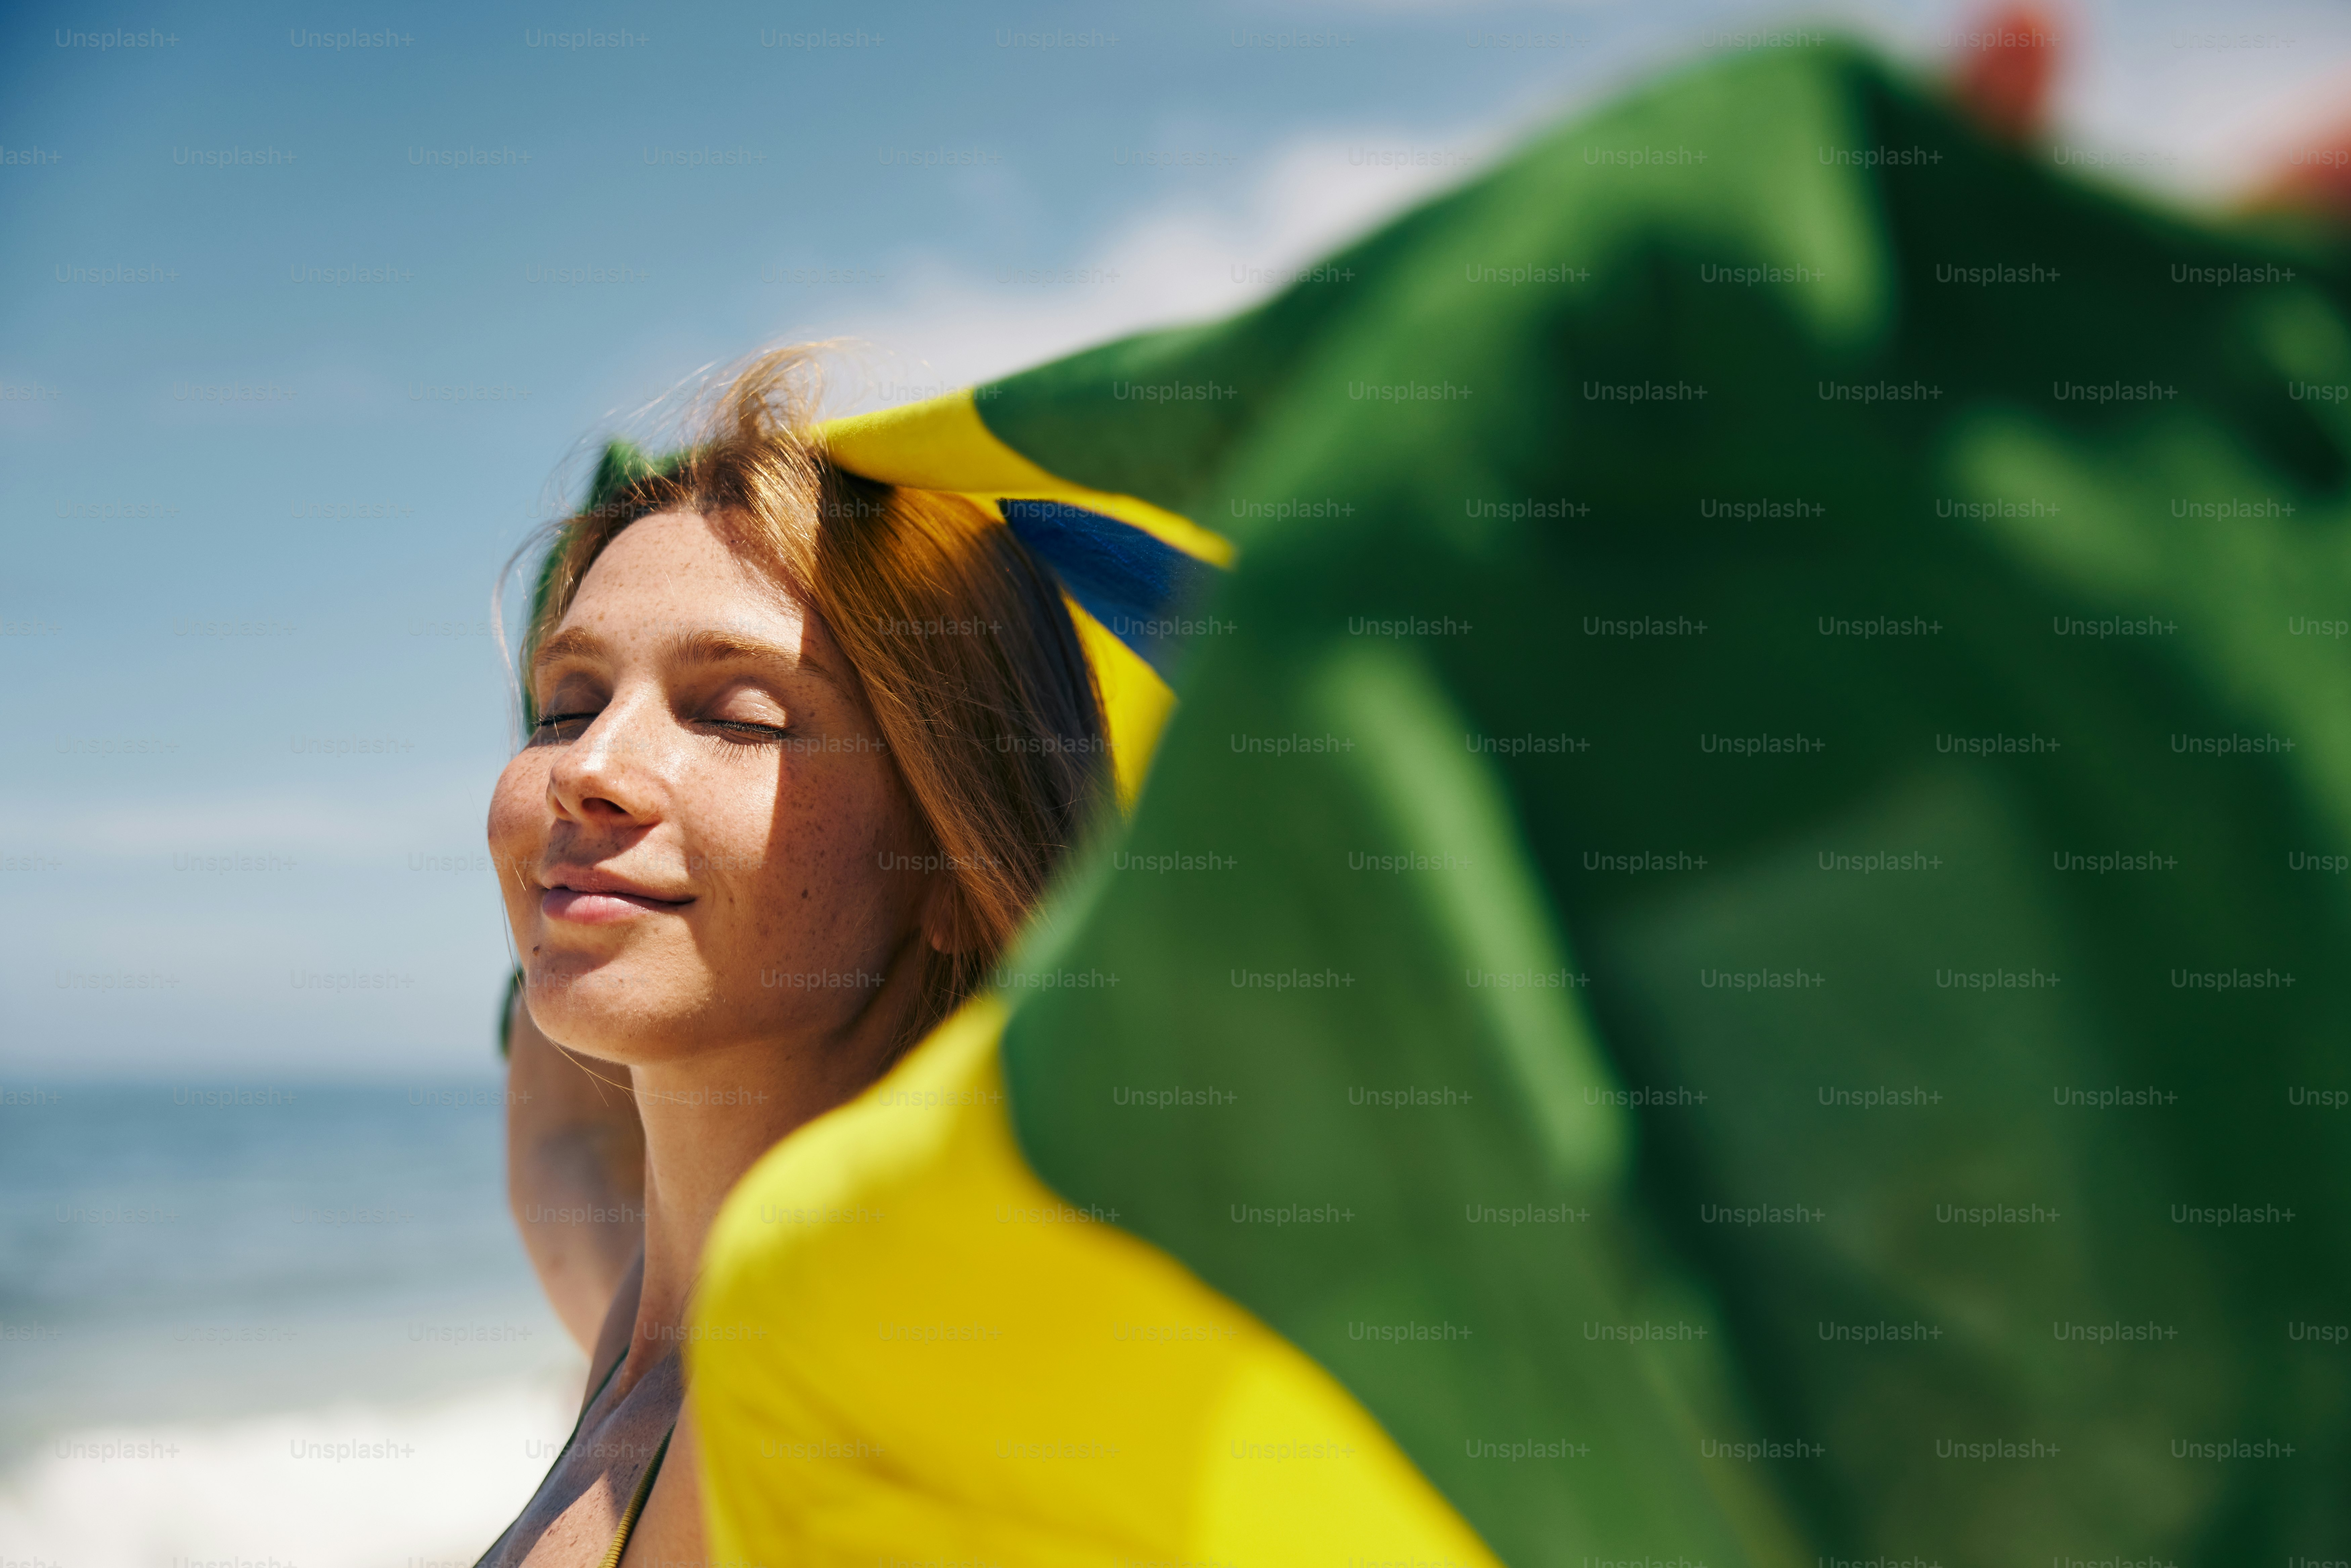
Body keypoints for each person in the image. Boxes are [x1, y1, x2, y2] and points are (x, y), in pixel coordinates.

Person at [478, 348, 1111, 1566]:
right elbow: (562, 1147)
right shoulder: (647, 1325)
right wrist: (586, 907)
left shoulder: (885, 1401)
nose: (586, 767)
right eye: (565, 703)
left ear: (949, 854)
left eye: (736, 714)